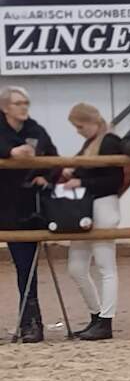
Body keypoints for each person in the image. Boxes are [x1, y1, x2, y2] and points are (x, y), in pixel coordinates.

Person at [0, 86, 59, 343]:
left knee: (26, 267)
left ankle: (31, 323)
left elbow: (54, 159)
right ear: (5, 107)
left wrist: (42, 175)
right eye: (18, 103)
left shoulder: (36, 130)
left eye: (26, 102)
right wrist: (9, 153)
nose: (24, 107)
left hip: (25, 209)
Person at [63, 103, 123, 341]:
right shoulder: (91, 144)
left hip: (104, 205)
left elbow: (113, 180)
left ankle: (105, 321)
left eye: (79, 126)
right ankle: (96, 315)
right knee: (77, 268)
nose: (78, 131)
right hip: (88, 206)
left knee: (105, 266)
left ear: (91, 122)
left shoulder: (109, 142)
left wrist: (81, 181)